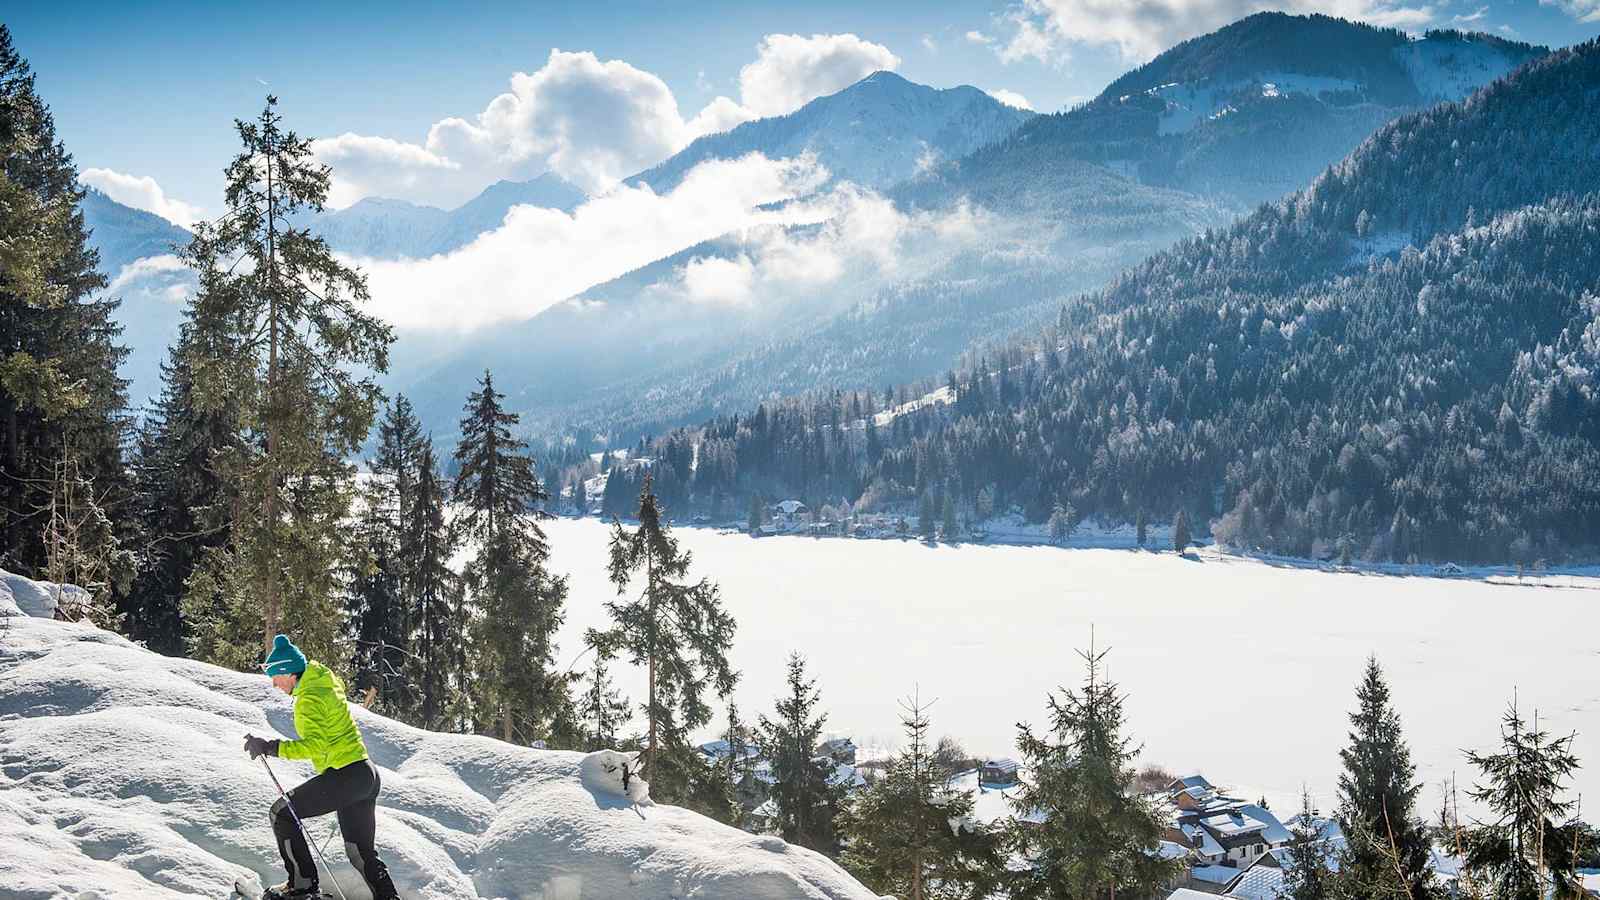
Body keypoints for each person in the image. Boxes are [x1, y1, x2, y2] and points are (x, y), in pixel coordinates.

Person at [244, 634, 400, 900]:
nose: (274, 683)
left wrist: (271, 747)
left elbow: (316, 745)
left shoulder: (308, 699)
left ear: (288, 673)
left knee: (282, 813)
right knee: (359, 851)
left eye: (275, 676)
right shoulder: (321, 684)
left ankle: (301, 887)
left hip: (346, 773)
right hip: (365, 774)